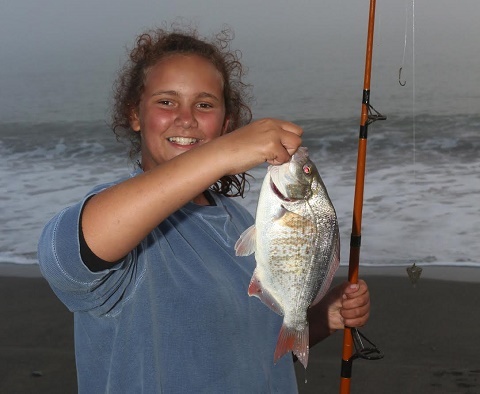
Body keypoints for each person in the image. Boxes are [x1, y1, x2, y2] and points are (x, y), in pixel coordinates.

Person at [38, 25, 370, 393]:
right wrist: (222, 153)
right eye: (166, 101)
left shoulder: (244, 223)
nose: (186, 118)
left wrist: (322, 318)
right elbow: (65, 258)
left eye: (205, 104)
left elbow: (246, 352)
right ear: (135, 115)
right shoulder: (119, 218)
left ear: (226, 124)